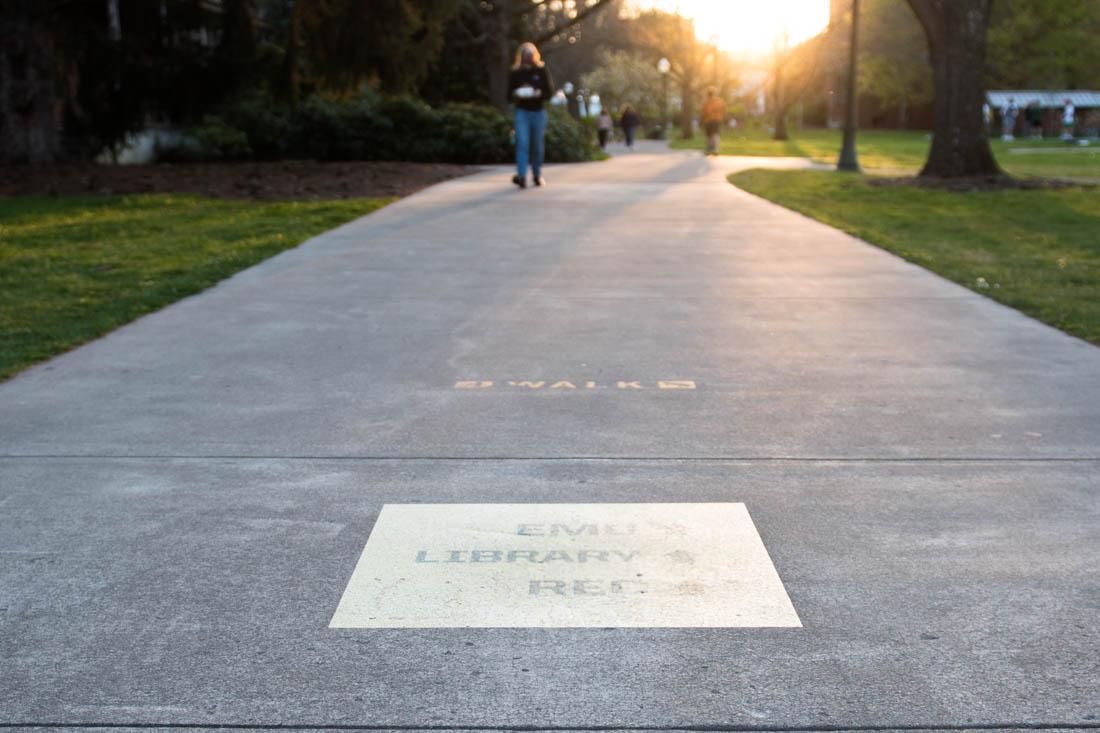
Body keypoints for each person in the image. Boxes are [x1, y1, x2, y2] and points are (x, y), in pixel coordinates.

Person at [508, 42, 554, 189]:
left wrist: (539, 93)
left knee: (537, 146)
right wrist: (517, 92)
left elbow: (549, 92)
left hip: (538, 112)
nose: (528, 56)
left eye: (530, 53)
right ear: (521, 56)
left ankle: (536, 174)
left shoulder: (541, 71)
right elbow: (508, 95)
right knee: (522, 143)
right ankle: (521, 176)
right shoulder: (516, 73)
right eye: (525, 54)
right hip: (522, 112)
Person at [700, 88, 727, 156]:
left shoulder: (706, 102)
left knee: (710, 135)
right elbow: (724, 110)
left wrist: (702, 120)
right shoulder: (719, 101)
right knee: (714, 135)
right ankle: (714, 150)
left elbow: (703, 112)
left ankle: (710, 150)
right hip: (716, 120)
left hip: (710, 120)